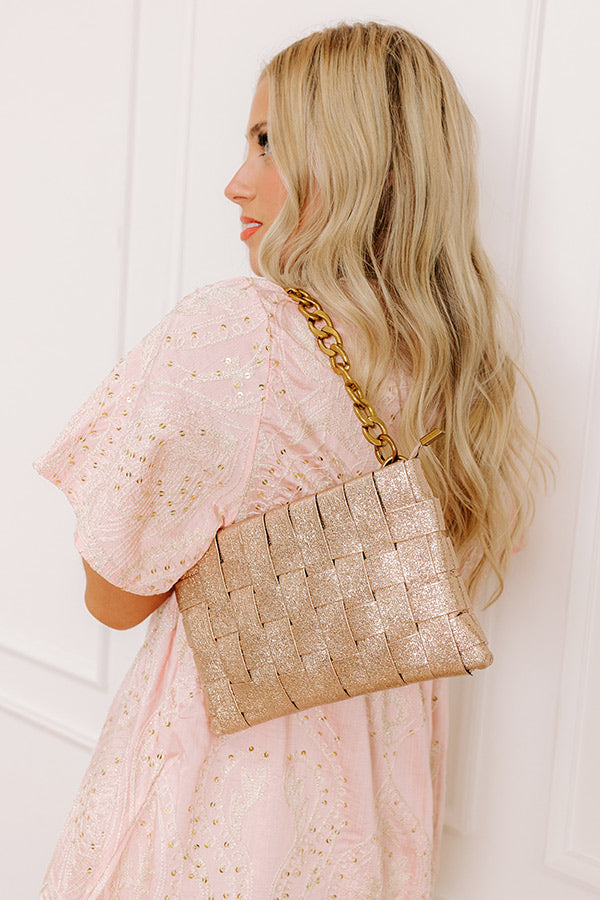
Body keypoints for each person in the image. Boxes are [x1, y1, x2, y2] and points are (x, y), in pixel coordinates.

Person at [36, 22, 544, 900]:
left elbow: (113, 597)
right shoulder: (454, 364)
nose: (238, 180)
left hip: (218, 807)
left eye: (270, 142)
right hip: (375, 814)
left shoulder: (240, 333)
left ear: (369, 165)